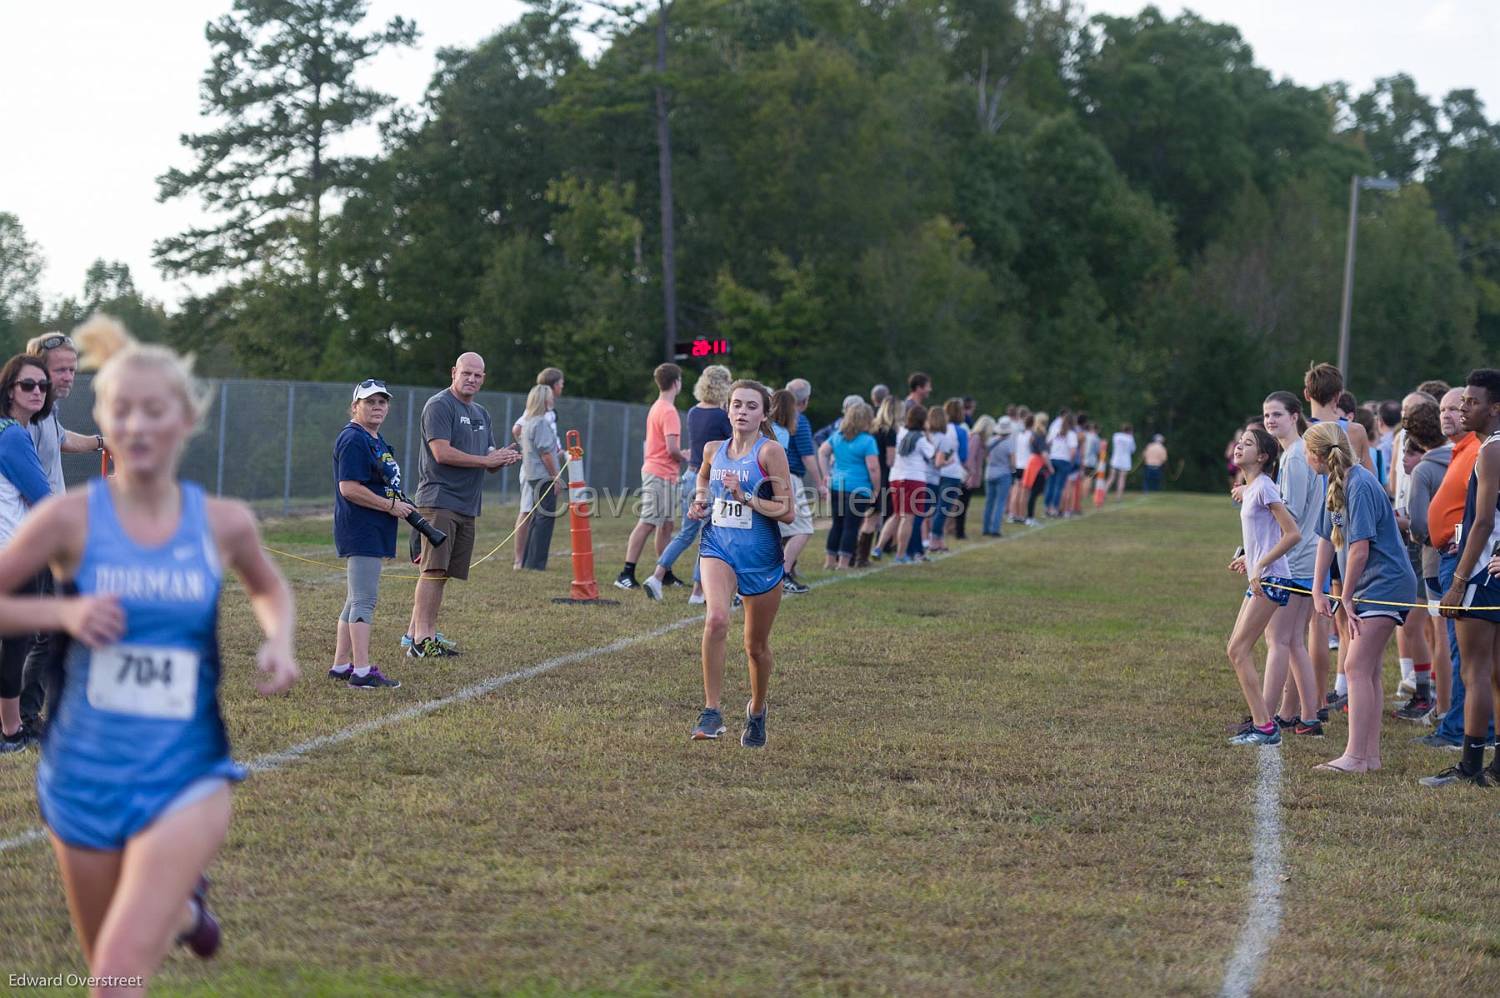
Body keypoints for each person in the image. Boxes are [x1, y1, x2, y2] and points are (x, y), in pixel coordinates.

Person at [0, 319, 298, 987]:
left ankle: (177, 903)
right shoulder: (65, 520)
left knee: (113, 971)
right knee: (106, 957)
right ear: (104, 419)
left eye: (155, 410)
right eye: (121, 410)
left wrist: (279, 639)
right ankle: (187, 915)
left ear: (186, 418)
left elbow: (270, 587)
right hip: (79, 776)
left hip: (184, 771)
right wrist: (63, 609)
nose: (137, 425)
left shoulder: (224, 522)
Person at [1304, 421, 1417, 773]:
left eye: (1307, 452)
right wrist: (1317, 587)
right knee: (1364, 669)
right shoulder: (1334, 483)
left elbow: (1359, 550)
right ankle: (1370, 758)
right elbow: (1327, 538)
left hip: (1385, 583)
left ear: (1317, 455)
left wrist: (1347, 596)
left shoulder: (1362, 484)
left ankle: (1356, 756)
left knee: (1355, 666)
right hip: (1370, 584)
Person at [687, 380, 795, 747]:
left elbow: (787, 511)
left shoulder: (770, 453)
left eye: (752, 406)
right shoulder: (713, 449)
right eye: (737, 405)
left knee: (756, 648)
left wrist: (745, 496)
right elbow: (703, 476)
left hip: (761, 557)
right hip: (719, 546)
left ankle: (758, 709)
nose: (743, 411)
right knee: (716, 618)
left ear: (764, 414)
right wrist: (700, 499)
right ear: (727, 410)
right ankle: (711, 710)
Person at [19, 328, 109, 737]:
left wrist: (99, 442)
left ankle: (35, 711)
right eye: (61, 369)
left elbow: (61, 441)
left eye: (73, 369)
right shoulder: (29, 418)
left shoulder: (47, 412)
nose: (69, 377)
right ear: (37, 367)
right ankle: (24, 717)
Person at [405, 353, 519, 658]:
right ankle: (421, 641)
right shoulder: (439, 405)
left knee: (441, 573)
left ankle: (417, 634)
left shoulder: (481, 412)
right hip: (438, 500)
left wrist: (502, 458)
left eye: (478, 375)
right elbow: (441, 453)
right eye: (466, 373)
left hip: (467, 505)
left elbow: (488, 459)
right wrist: (486, 460)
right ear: (454, 372)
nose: (472, 379)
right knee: (433, 570)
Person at [1427, 369, 1500, 787]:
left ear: (1494, 408)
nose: (1462, 408)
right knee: (1495, 674)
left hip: (1480, 574)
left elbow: (1484, 522)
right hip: (1492, 571)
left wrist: (1457, 581)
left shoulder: (1490, 450)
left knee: (1476, 673)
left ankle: (1471, 767)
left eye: (1471, 402)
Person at [327, 378, 408, 690]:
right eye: (370, 402)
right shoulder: (353, 439)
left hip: (373, 527)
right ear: (355, 406)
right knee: (364, 600)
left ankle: (341, 664)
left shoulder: (373, 438)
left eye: (382, 401)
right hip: (361, 527)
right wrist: (389, 506)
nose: (377, 407)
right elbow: (348, 488)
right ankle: (361, 672)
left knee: (354, 600)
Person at [1224, 426, 1303, 745]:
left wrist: (1260, 564)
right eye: (1239, 441)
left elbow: (1292, 533)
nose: (1239, 446)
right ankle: (1263, 722)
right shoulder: (1253, 487)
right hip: (1262, 575)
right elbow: (1264, 535)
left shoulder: (1265, 487)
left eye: (1248, 444)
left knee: (1239, 650)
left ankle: (1265, 727)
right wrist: (1249, 558)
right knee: (1235, 649)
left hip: (1272, 579)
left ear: (1263, 456)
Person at [1260, 391, 1325, 734]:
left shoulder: (1296, 457)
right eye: (1267, 415)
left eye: (1277, 414)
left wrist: (1261, 502)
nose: (1270, 420)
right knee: (1295, 640)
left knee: (1279, 639)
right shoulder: (1293, 455)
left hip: (1297, 559)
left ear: (1295, 416)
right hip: (1305, 557)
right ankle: (1308, 716)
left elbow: (1293, 514)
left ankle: (1265, 718)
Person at [0, 353, 55, 752]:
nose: (37, 391)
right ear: (9, 390)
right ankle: (10, 731)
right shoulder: (13, 436)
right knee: (16, 644)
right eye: (28, 385)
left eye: (42, 385)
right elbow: (44, 499)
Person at [644, 364, 733, 602]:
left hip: (690, 475)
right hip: (710, 479)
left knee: (685, 534)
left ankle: (657, 576)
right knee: (708, 535)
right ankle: (697, 592)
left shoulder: (694, 411)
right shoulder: (722, 415)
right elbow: (731, 445)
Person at [615, 363, 689, 591]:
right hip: (659, 472)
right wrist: (686, 454)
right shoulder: (668, 410)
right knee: (647, 522)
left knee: (666, 525)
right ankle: (625, 573)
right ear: (676, 383)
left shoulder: (658, 406)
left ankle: (665, 572)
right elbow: (671, 449)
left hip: (663, 472)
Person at [1405, 398, 1454, 722]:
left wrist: (1417, 535)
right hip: (1460, 557)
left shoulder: (1424, 469)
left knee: (1442, 637)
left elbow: (1419, 523)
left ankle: (1445, 708)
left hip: (1436, 559)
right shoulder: (1459, 457)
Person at [511, 367, 565, 570]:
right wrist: (555, 475)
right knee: (532, 513)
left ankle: (525, 560)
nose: (561, 388)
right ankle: (526, 561)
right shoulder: (538, 418)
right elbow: (544, 451)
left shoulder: (540, 418)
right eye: (559, 384)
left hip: (538, 470)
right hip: (539, 472)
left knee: (534, 514)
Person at [778, 378, 827, 593]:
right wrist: (820, 483)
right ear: (805, 400)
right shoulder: (799, 419)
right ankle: (783, 574)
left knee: (777, 530)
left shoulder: (769, 417)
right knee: (804, 527)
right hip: (789, 478)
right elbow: (808, 455)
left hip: (768, 477)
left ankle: (775, 574)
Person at [818, 401, 879, 570]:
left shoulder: (837, 436)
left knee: (837, 524)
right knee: (851, 526)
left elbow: (822, 452)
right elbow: (873, 467)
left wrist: (826, 474)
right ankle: (843, 563)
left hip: (837, 485)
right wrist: (876, 488)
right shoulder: (867, 440)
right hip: (859, 488)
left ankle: (829, 561)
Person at [888, 404, 942, 564]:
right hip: (914, 478)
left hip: (896, 477)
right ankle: (901, 554)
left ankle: (883, 547)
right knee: (909, 518)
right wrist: (927, 434)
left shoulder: (900, 432)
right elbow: (933, 455)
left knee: (898, 515)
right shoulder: (920, 437)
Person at [865, 395, 901, 563]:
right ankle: (883, 545)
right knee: (886, 511)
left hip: (869, 473)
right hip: (885, 475)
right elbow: (890, 460)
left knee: (870, 514)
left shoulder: (872, 428)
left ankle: (862, 552)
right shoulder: (891, 431)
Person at [981, 415, 1015, 537]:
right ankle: (995, 529)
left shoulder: (991, 440)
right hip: (1003, 473)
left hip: (989, 473)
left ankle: (985, 528)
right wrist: (1013, 471)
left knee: (989, 502)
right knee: (1000, 502)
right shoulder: (1009, 443)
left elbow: (985, 455)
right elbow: (1012, 462)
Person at [1044, 412, 1078, 516]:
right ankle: (1054, 508)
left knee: (1050, 484)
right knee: (1059, 486)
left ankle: (1047, 508)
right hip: (1064, 460)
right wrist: (1071, 462)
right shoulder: (1071, 434)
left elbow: (1047, 443)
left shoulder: (1055, 430)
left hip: (1053, 458)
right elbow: (1073, 451)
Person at [1109, 422, 1135, 498]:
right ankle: (1118, 496)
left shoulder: (1116, 435)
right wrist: (1131, 437)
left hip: (1115, 459)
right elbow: (1133, 450)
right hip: (1125, 461)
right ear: (1130, 431)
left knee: (1111, 477)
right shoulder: (1130, 438)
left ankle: (1103, 493)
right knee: (1122, 479)